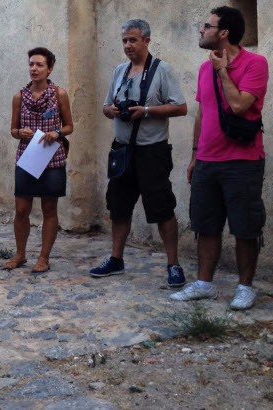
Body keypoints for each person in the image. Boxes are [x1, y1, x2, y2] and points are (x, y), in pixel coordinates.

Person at [170, 6, 269, 310]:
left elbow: (240, 106)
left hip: (243, 160)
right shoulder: (203, 69)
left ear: (223, 33)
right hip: (207, 161)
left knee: (245, 226)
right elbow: (203, 112)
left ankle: (245, 287)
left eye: (207, 26)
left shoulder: (256, 64)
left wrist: (223, 71)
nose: (201, 30)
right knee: (206, 224)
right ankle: (203, 284)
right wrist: (194, 155)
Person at [91, 19, 188, 288]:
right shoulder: (120, 71)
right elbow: (106, 105)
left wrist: (146, 111)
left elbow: (181, 107)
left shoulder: (162, 70)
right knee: (119, 206)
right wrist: (111, 111)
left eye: (133, 40)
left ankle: (173, 264)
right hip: (122, 150)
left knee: (162, 207)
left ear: (147, 40)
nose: (128, 45)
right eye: (124, 40)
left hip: (152, 151)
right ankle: (116, 258)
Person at [5, 47, 74, 273]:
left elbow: (69, 126)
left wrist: (57, 133)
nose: (34, 69)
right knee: (22, 209)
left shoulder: (59, 94)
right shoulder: (19, 96)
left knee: (49, 209)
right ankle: (20, 254)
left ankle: (44, 257)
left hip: (52, 158)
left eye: (39, 65)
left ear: (49, 68)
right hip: (27, 158)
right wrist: (19, 132)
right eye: (31, 64)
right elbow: (13, 129)